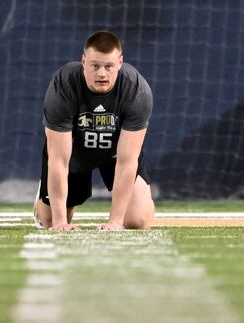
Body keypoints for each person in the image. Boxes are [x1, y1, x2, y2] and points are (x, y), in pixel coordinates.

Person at [34, 31, 155, 231]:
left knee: (137, 221)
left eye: (108, 66)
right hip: (74, 152)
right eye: (95, 66)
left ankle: (144, 203)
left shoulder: (136, 90)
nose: (101, 73)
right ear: (83, 61)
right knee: (48, 222)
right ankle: (44, 203)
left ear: (120, 63)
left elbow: (127, 160)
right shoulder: (64, 85)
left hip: (115, 153)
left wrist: (115, 221)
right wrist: (59, 222)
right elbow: (58, 159)